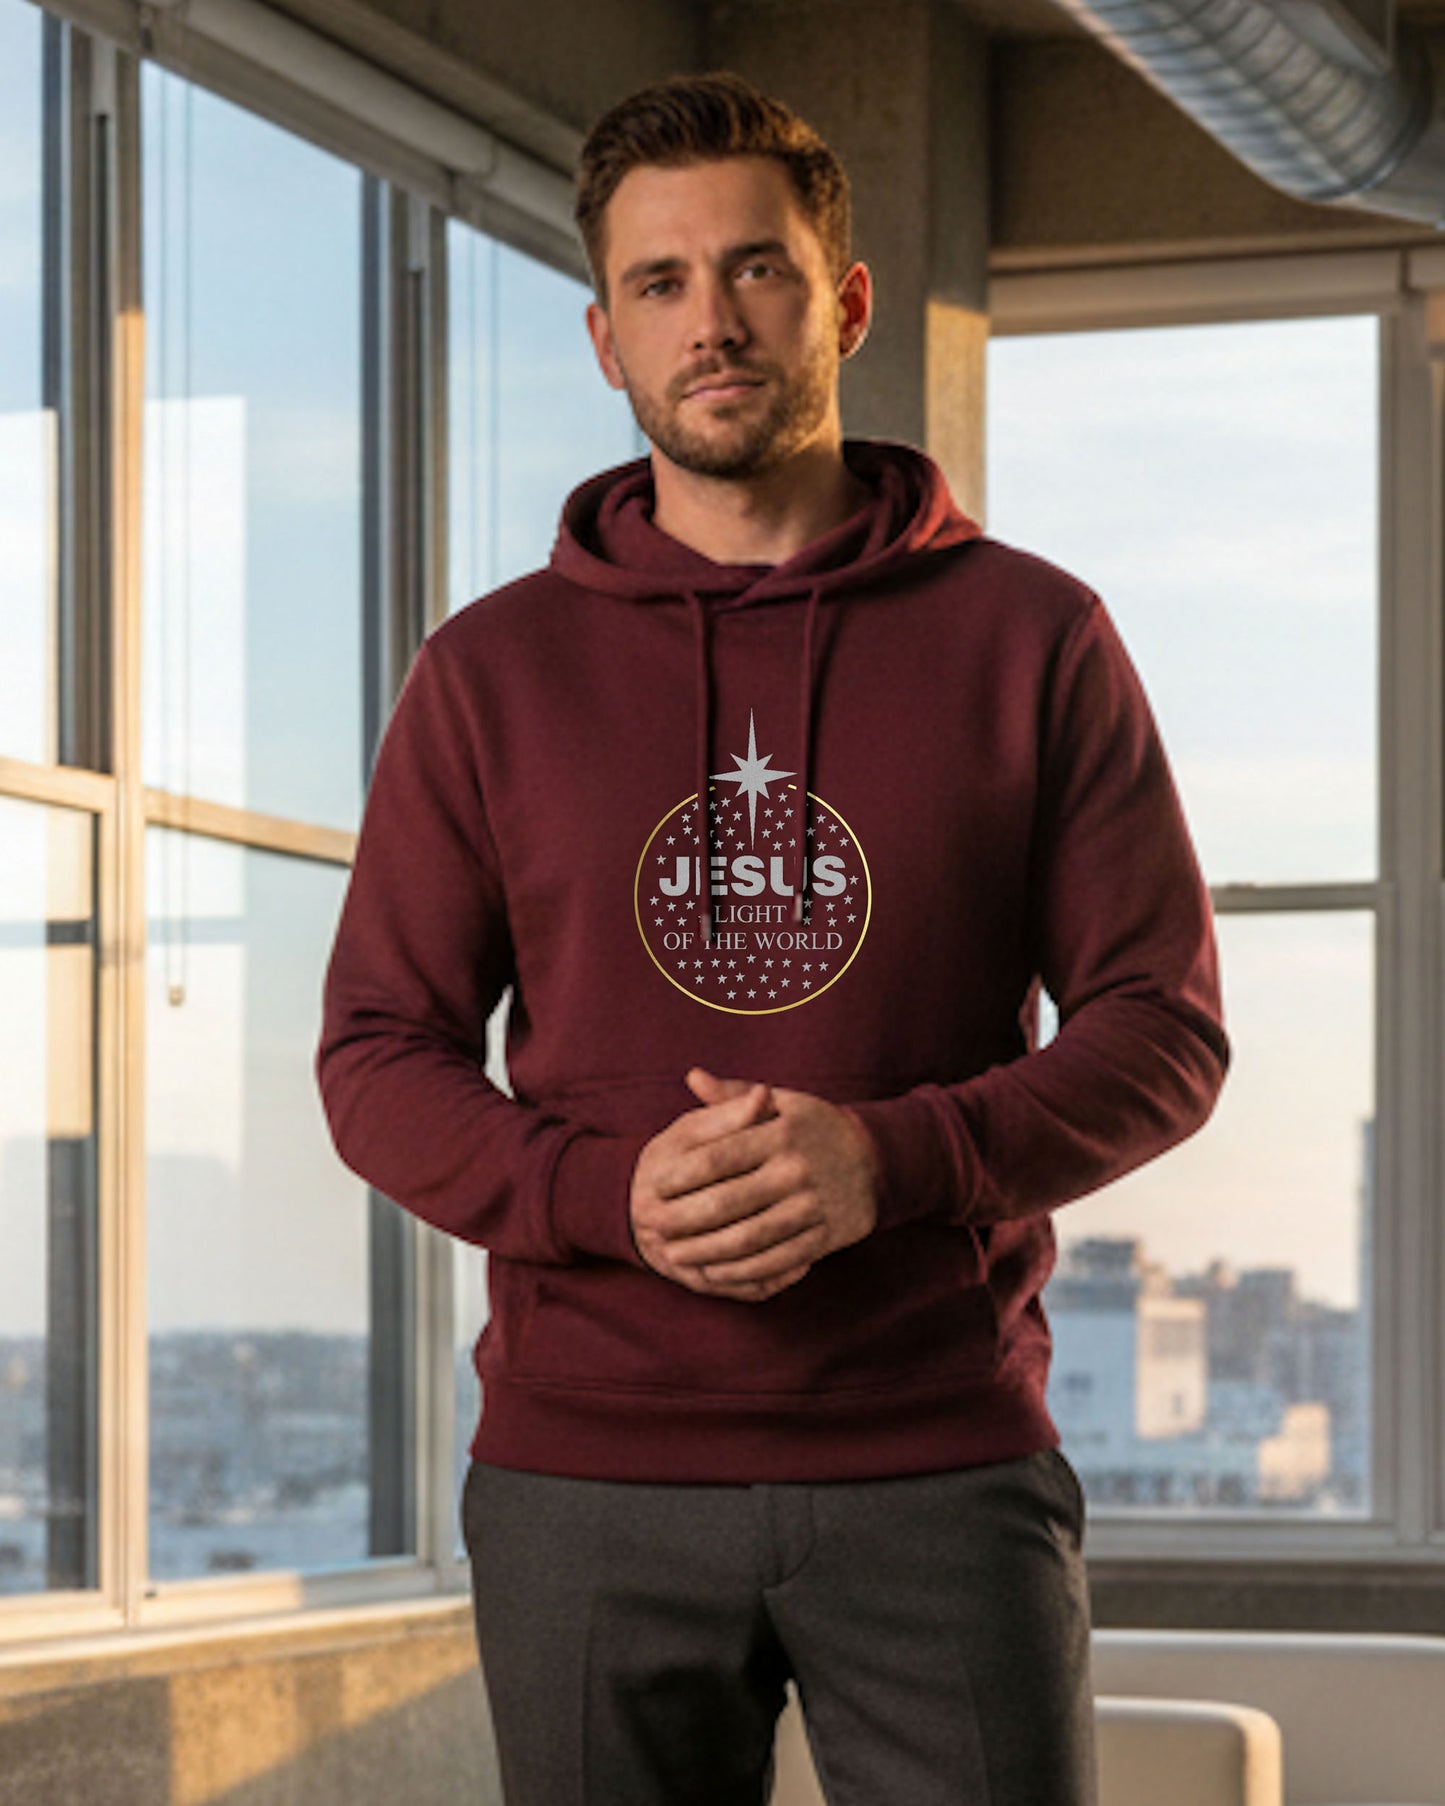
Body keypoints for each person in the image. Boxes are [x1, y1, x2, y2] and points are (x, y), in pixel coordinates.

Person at [316, 69, 1229, 1806]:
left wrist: (892, 1160)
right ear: (602, 336)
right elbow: (375, 1052)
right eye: (659, 283)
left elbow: (1161, 1025)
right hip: (586, 1474)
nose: (709, 320)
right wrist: (605, 1194)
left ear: (847, 301)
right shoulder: (488, 674)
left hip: (938, 1464)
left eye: (756, 269)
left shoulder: (1033, 636)